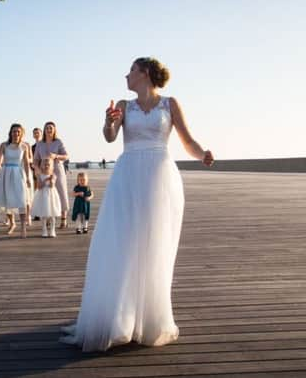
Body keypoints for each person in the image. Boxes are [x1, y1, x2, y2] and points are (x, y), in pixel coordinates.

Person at [60, 57, 214, 352]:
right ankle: (119, 318)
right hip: (128, 176)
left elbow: (187, 141)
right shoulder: (124, 105)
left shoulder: (170, 104)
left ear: (144, 73)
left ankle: (149, 318)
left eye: (130, 70)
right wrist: (108, 121)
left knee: (154, 244)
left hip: (159, 177)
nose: (126, 75)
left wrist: (202, 154)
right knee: (124, 242)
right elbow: (109, 137)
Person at [0, 123, 32, 238]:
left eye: (18, 131)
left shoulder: (24, 146)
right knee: (7, 198)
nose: (16, 133)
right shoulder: (4, 145)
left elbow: (25, 163)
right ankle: (12, 223)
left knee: (21, 199)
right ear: (10, 132)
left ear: (21, 133)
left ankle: (23, 227)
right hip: (6, 173)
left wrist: (28, 178)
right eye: (14, 131)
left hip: (18, 173)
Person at [33, 122, 70, 229]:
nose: (49, 130)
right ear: (44, 130)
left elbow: (66, 156)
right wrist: (38, 170)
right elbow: (35, 159)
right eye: (47, 128)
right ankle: (48, 217)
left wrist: (56, 155)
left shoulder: (58, 142)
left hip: (57, 170)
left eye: (51, 128)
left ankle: (64, 219)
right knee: (47, 194)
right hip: (44, 171)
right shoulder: (40, 143)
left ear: (54, 130)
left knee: (61, 193)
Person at [30, 159, 61, 238]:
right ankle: (44, 230)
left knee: (52, 214)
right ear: (41, 166)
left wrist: (51, 180)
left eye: (48, 165)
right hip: (42, 195)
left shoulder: (53, 175)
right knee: (43, 214)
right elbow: (39, 186)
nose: (47, 166)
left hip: (51, 195)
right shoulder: (39, 175)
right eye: (45, 164)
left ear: (52, 166)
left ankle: (52, 230)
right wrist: (46, 179)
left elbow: (52, 186)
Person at [31, 127, 42, 221]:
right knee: (36, 193)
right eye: (34, 133)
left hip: (46, 172)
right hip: (35, 173)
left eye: (37, 132)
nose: (36, 134)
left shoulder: (45, 144)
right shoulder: (32, 147)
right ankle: (37, 213)